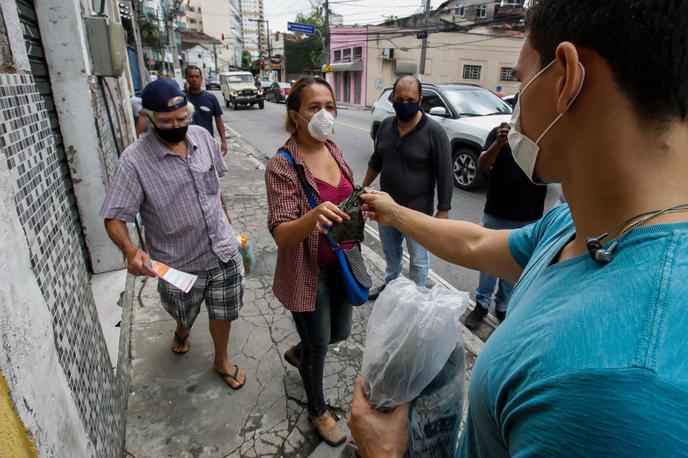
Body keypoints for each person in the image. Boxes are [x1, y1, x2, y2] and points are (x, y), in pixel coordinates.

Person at [349, 0, 688, 456]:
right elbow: (476, 242)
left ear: (566, 78)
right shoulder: (582, 222)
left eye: (522, 80)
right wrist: (393, 213)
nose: (514, 107)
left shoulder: (617, 390)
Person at [100, 78, 246, 390]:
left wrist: (229, 226)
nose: (176, 126)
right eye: (166, 122)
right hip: (177, 263)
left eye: (182, 119)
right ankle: (182, 329)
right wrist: (129, 250)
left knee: (224, 310)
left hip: (222, 248)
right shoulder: (134, 161)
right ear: (149, 119)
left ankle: (221, 358)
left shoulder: (202, 137)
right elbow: (114, 216)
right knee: (184, 311)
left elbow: (214, 189)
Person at [265, 76, 355, 447]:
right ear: (295, 116)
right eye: (314, 107)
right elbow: (283, 234)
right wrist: (313, 215)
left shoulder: (333, 150)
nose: (324, 114)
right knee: (319, 343)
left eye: (329, 107)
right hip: (308, 271)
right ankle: (317, 410)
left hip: (344, 260)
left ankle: (298, 351)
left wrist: (364, 204)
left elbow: (345, 197)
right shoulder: (283, 165)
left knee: (339, 333)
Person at [362, 75, 453, 299]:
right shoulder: (385, 126)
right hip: (385, 208)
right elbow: (377, 160)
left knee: (419, 259)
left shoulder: (434, 132)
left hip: (417, 211)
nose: (405, 104)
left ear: (420, 99)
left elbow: (444, 173)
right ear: (392, 98)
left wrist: (443, 210)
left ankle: (416, 298)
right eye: (400, 99)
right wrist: (362, 190)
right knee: (391, 253)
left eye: (410, 99)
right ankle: (391, 288)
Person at [464, 120, 547, 330]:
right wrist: (498, 144)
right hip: (497, 212)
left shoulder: (544, 135)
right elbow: (482, 165)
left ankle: (503, 305)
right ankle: (481, 304)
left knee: (513, 264)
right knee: (488, 262)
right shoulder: (498, 133)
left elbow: (550, 172)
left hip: (528, 215)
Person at [184, 65, 228, 156]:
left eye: (196, 76)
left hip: (207, 142)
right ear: (186, 79)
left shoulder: (210, 98)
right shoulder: (181, 97)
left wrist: (223, 141)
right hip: (186, 143)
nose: (194, 79)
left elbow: (218, 120)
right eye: (190, 77)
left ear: (201, 79)